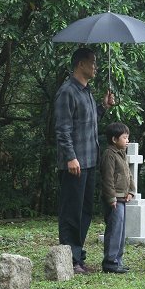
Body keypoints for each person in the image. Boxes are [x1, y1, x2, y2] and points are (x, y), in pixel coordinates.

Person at [54, 45, 115, 273]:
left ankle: (77, 256)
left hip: (89, 160)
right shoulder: (67, 91)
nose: (96, 67)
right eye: (92, 62)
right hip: (75, 164)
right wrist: (70, 157)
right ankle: (70, 259)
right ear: (81, 64)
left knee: (85, 210)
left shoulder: (86, 91)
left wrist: (103, 107)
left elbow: (89, 122)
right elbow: (62, 129)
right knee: (71, 211)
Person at [100, 121, 135, 274]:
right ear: (114, 139)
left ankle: (118, 260)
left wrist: (132, 191)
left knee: (120, 231)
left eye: (128, 137)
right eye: (125, 137)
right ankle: (110, 262)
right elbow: (107, 178)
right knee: (114, 230)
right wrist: (111, 198)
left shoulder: (122, 154)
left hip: (123, 198)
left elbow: (129, 174)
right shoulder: (109, 154)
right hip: (114, 200)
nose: (127, 140)